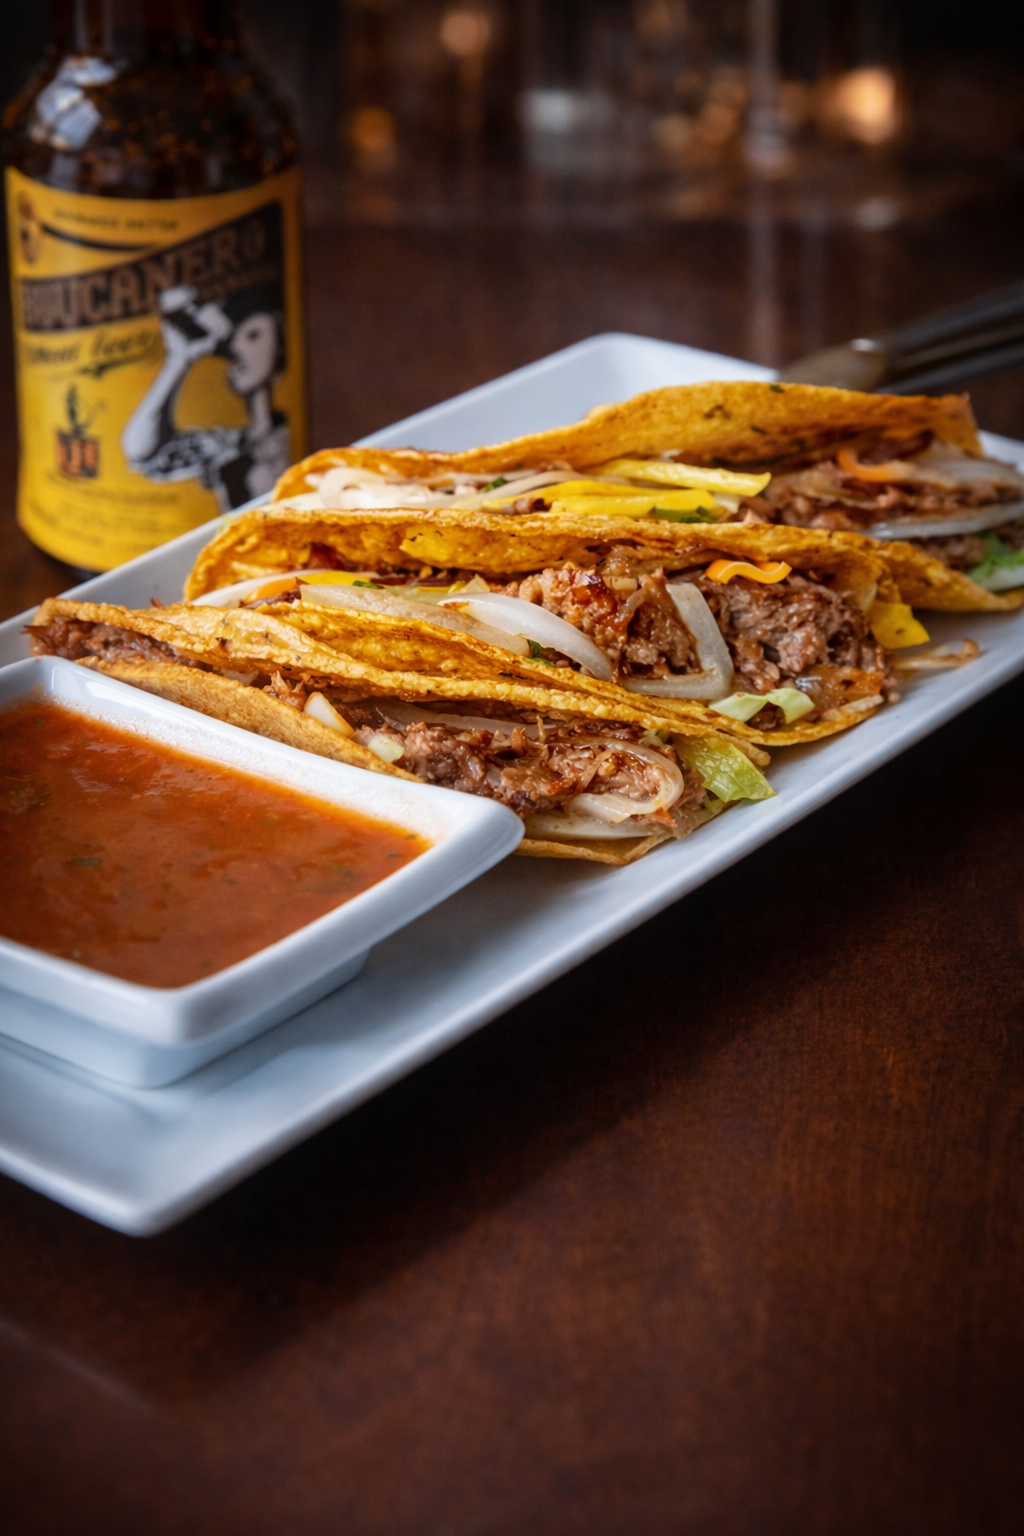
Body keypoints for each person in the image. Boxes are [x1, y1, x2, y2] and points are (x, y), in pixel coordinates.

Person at [122, 282, 291, 511]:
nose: (237, 349)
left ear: (279, 343)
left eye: (253, 336)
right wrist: (178, 361)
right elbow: (140, 453)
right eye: (231, 340)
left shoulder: (288, 430)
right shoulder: (225, 444)